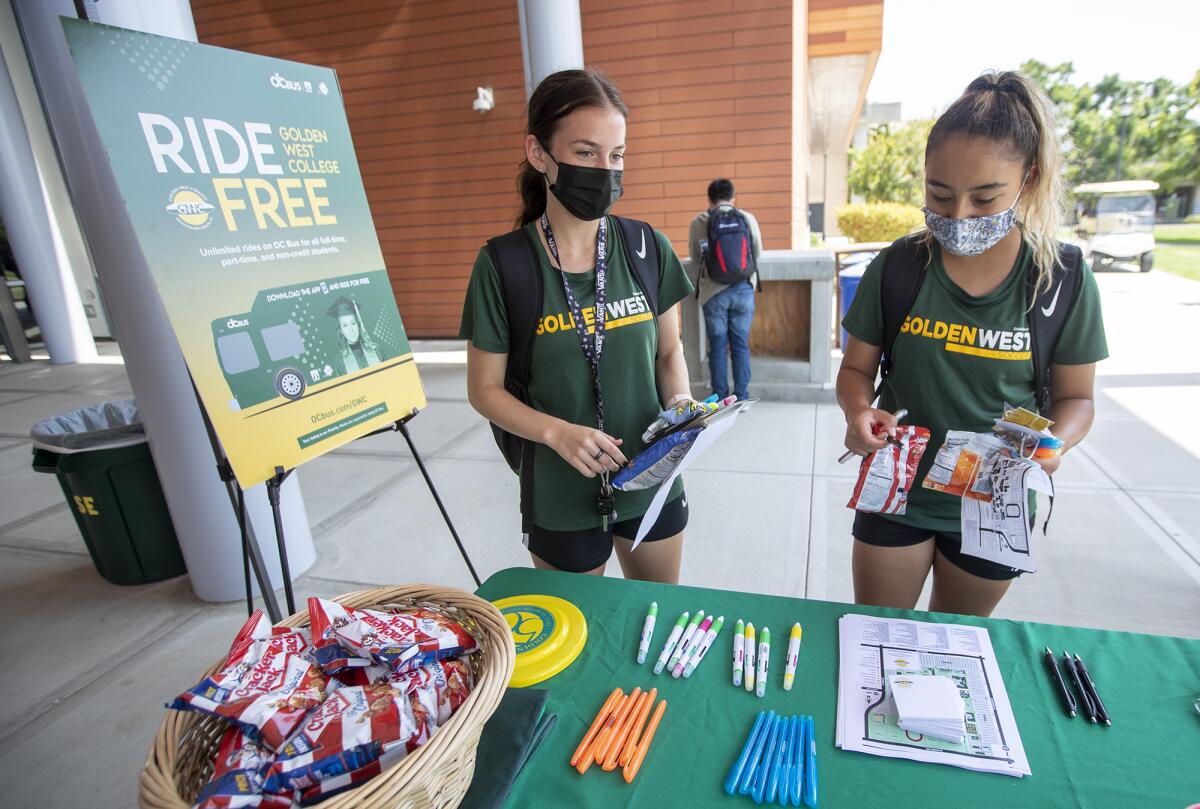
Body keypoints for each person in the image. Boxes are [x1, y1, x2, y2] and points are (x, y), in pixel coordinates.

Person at [837, 71, 1108, 617]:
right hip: (899, 493)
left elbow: (1077, 399)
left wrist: (1054, 445)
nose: (958, 216)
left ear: (1027, 181)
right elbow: (856, 371)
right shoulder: (900, 266)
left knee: (953, 646)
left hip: (996, 503)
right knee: (879, 637)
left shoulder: (1061, 277)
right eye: (939, 194)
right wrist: (860, 412)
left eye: (985, 198)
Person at [459, 69, 696, 583]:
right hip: (559, 494)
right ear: (539, 153)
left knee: (652, 626)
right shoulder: (505, 265)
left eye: (617, 155)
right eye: (586, 152)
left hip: (650, 476)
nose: (605, 170)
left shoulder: (647, 247)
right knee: (580, 644)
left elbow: (669, 354)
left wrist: (681, 408)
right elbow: (484, 390)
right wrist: (557, 433)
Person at [688, 179, 762, 401]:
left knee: (718, 346)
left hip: (714, 292)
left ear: (710, 199)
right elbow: (756, 252)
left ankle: (720, 397)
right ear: (733, 197)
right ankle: (742, 395)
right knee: (740, 344)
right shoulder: (747, 219)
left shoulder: (700, 221)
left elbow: (695, 257)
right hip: (743, 289)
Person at [326, 296, 382, 374]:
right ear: (341, 330)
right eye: (345, 325)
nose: (351, 329)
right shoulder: (339, 361)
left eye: (353, 323)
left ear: (358, 325)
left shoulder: (377, 349)